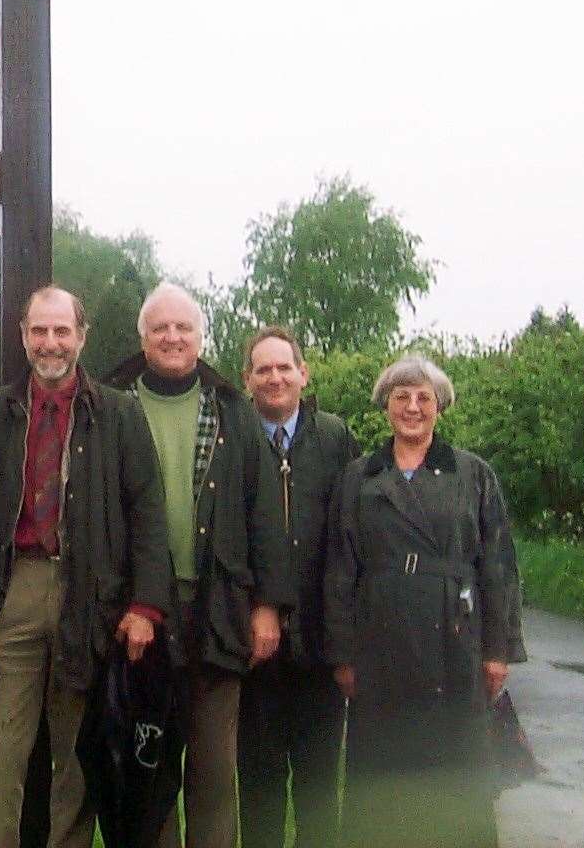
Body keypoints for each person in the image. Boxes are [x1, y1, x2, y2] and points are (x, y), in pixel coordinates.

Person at [0, 285, 173, 848]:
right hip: (16, 591)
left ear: (82, 336)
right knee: (0, 753)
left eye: (61, 331)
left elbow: (148, 512)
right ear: (23, 336)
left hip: (90, 592)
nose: (50, 342)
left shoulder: (119, 414)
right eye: (39, 330)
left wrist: (144, 606)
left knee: (77, 752)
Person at [116, 282, 291, 848]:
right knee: (151, 765)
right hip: (140, 614)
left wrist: (266, 606)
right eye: (160, 328)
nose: (172, 337)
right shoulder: (114, 403)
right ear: (143, 338)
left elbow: (264, 513)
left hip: (219, 611)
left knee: (214, 775)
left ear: (200, 336)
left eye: (183, 328)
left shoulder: (233, 411)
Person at [324, 354, 523, 848]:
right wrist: (343, 654)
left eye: (423, 398)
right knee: (382, 783)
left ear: (439, 407)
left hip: (455, 645)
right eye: (401, 397)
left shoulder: (473, 475)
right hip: (380, 647)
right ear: (386, 406)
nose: (412, 408)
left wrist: (498, 650)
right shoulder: (359, 477)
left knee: (457, 782)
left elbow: (497, 566)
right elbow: (340, 568)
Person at [236, 326, 358, 848]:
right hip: (252, 648)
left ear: (303, 374)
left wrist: (347, 636)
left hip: (319, 647)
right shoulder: (232, 437)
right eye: (263, 369)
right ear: (248, 380)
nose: (275, 377)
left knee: (317, 791)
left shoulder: (334, 438)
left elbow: (354, 541)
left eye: (284, 367)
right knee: (259, 788)